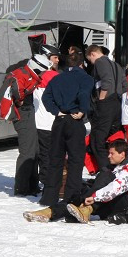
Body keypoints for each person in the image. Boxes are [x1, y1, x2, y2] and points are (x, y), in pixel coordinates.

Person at [34, 50, 95, 212]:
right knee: (75, 160)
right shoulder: (86, 78)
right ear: (82, 64)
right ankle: (71, 196)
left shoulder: (57, 78)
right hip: (75, 120)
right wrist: (82, 110)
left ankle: (49, 195)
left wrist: (56, 111)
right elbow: (84, 94)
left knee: (55, 159)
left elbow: (47, 98)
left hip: (59, 121)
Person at [1, 44, 58, 196]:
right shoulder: (24, 73)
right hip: (23, 114)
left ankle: (32, 185)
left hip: (27, 112)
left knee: (35, 150)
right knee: (28, 151)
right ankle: (22, 187)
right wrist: (19, 100)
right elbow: (17, 90)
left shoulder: (27, 71)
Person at [59, 139, 128, 224]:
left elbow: (115, 188)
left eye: (112, 153)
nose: (109, 156)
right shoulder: (117, 165)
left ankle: (80, 208)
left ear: (122, 154)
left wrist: (94, 197)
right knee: (88, 186)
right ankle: (59, 210)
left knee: (105, 178)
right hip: (116, 200)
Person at [85, 45, 128, 171]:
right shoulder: (116, 65)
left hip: (106, 104)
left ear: (93, 54)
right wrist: (117, 94)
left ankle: (105, 170)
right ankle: (118, 166)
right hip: (117, 104)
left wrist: (101, 99)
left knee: (97, 140)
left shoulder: (100, 62)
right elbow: (126, 86)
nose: (91, 63)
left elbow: (107, 81)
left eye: (89, 60)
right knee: (113, 137)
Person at [32, 46, 61, 194]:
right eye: (55, 57)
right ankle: (47, 181)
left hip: (40, 121)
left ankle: (43, 180)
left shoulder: (35, 75)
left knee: (43, 154)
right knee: (50, 154)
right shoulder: (52, 76)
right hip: (50, 122)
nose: (58, 60)